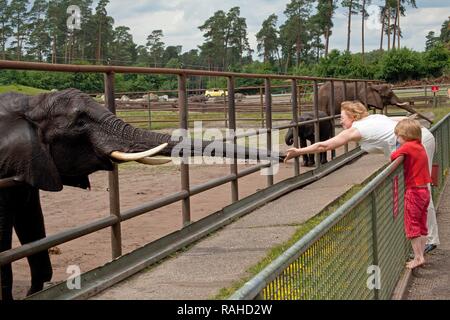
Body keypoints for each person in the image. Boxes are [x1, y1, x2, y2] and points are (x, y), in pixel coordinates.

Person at [284, 101, 439, 252]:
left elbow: (324, 145)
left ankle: (430, 239)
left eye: (342, 117)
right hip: (419, 138)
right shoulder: (373, 118)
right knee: (417, 191)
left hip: (417, 143)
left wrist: (299, 152)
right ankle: (419, 237)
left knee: (420, 189)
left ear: (353, 117)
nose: (340, 121)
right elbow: (403, 120)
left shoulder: (356, 129)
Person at [391, 119, 431, 269]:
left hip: (413, 191)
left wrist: (399, 149)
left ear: (405, 136)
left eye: (398, 136)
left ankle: (418, 257)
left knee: (411, 224)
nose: (397, 139)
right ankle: (421, 254)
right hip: (424, 191)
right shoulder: (419, 146)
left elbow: (393, 156)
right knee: (421, 223)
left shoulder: (407, 147)